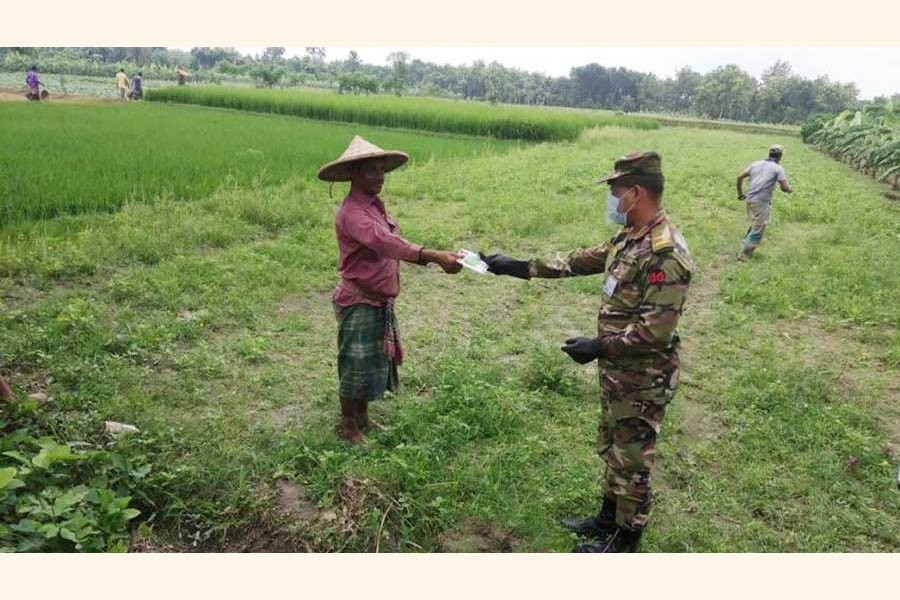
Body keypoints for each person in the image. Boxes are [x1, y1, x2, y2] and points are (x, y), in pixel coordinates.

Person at [481, 151, 693, 553]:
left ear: (635, 192)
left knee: (633, 460)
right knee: (615, 447)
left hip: (644, 377)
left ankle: (624, 542)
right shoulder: (630, 236)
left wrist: (598, 346)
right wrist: (519, 266)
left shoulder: (664, 253)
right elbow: (578, 261)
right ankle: (606, 520)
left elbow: (655, 332)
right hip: (619, 372)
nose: (611, 199)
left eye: (615, 190)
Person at [318, 136, 463, 445]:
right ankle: (348, 425)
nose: (380, 176)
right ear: (355, 174)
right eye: (372, 170)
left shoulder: (374, 206)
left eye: (382, 169)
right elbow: (384, 242)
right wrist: (433, 255)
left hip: (377, 300)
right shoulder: (352, 213)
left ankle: (363, 417)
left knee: (371, 363)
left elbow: (388, 242)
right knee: (355, 365)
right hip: (358, 300)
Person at [736, 144, 793, 261]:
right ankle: (744, 254)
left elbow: (739, 177)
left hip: (750, 199)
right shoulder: (778, 168)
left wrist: (740, 194)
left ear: (769, 153)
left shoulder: (756, 164)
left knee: (756, 223)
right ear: (780, 156)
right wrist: (789, 189)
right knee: (759, 228)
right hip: (761, 201)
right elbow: (784, 187)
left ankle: (745, 242)